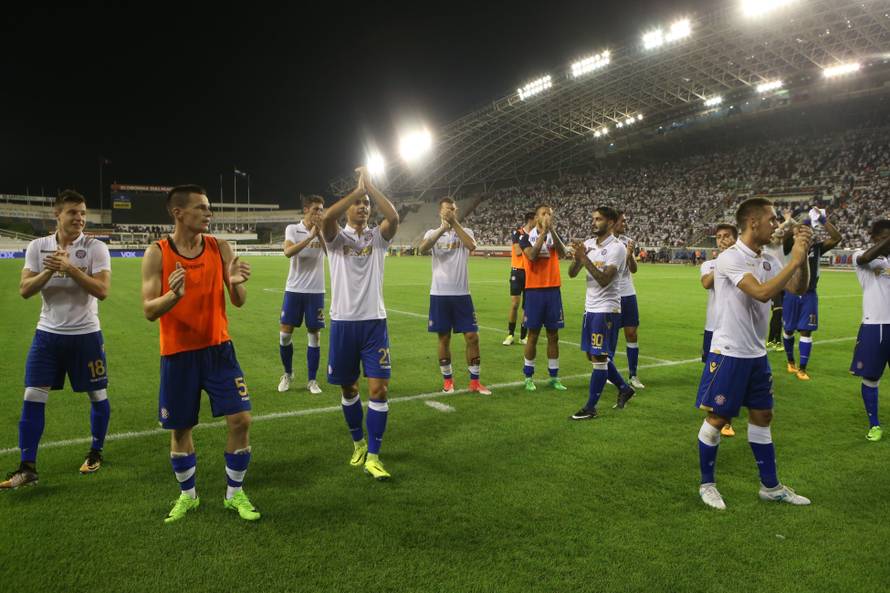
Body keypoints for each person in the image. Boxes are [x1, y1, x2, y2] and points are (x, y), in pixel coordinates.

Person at [141, 185, 259, 523]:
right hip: (178, 354)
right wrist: (173, 297)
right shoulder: (158, 253)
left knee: (241, 419)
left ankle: (234, 495)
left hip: (219, 350)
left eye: (209, 208)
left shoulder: (219, 247)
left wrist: (235, 282)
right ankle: (188, 496)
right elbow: (149, 310)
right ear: (178, 212)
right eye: (201, 208)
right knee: (181, 430)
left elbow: (238, 300)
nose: (209, 213)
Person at [696, 197, 814, 510]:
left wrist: (800, 259)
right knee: (718, 417)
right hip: (729, 352)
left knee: (763, 416)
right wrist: (793, 260)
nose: (776, 225)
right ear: (753, 223)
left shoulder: (768, 258)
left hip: (756, 354)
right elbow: (762, 294)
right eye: (772, 219)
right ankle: (707, 485)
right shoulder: (730, 257)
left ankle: (770, 487)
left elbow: (797, 289)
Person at [1, 191, 112, 490]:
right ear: (57, 215)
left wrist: (71, 269)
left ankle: (96, 451)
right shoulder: (38, 247)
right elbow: (25, 290)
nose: (79, 218)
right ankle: (27, 467)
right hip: (47, 336)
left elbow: (102, 291)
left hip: (86, 335)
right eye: (73, 213)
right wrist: (50, 269)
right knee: (32, 396)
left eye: (83, 213)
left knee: (97, 396)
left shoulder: (95, 247)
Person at [321, 167, 399, 481]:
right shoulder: (335, 238)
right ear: (349, 207)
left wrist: (370, 186)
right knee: (349, 387)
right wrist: (355, 191)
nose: (363, 207)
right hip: (343, 323)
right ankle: (358, 443)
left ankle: (375, 457)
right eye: (358, 203)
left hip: (374, 324)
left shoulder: (377, 238)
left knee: (378, 390)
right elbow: (327, 219)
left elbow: (393, 218)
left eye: (366, 203)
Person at [568, 206, 635, 420]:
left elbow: (605, 280)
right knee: (593, 354)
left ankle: (590, 407)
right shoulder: (588, 244)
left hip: (607, 309)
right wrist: (579, 257)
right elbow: (571, 273)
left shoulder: (617, 248)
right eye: (593, 219)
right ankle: (624, 388)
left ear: (611, 222)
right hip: (590, 309)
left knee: (599, 357)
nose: (594, 222)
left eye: (599, 219)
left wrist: (584, 259)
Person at [419, 197, 491, 395]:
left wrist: (454, 223)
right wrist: (443, 228)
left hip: (462, 294)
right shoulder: (432, 233)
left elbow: (472, 245)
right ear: (440, 211)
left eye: (453, 209)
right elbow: (422, 248)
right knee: (444, 338)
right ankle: (448, 382)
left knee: (472, 337)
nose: (450, 212)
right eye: (447, 209)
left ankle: (475, 382)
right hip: (440, 293)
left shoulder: (465, 232)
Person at [781, 209, 842, 380]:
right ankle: (790, 362)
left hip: (809, 295)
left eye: (807, 230)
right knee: (788, 329)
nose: (804, 232)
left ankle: (802, 368)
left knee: (806, 331)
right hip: (791, 294)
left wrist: (822, 219)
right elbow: (785, 236)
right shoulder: (788, 247)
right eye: (801, 230)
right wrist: (800, 223)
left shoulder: (816, 248)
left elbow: (837, 238)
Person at [278, 195, 327, 394]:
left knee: (314, 336)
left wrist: (320, 234)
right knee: (284, 336)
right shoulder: (293, 229)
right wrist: (309, 237)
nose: (319, 213)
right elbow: (288, 252)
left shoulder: (323, 230)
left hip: (316, 291)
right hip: (294, 289)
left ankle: (312, 380)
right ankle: (288, 374)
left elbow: (332, 253)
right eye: (316, 209)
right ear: (306, 209)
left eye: (321, 210)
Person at [518, 204, 569, 391]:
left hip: (553, 290)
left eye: (549, 213)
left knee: (553, 335)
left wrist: (552, 231)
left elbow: (563, 253)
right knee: (533, 335)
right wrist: (542, 234)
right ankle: (528, 376)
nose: (547, 216)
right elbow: (531, 256)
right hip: (534, 291)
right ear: (537, 217)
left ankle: (554, 376)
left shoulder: (554, 236)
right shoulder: (525, 237)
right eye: (543, 213)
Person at [849, 219, 890, 442]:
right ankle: (874, 424)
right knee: (871, 377)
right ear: (874, 238)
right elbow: (866, 257)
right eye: (883, 237)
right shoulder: (860, 256)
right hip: (875, 326)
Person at [700, 223, 738, 437]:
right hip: (712, 327)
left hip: (732, 328)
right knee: (712, 373)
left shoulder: (742, 262)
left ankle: (725, 419)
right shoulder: (709, 264)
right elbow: (706, 283)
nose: (722, 240)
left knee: (728, 375)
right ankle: (714, 413)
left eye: (727, 236)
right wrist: (723, 262)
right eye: (719, 237)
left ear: (735, 238)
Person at [613, 212, 644, 389]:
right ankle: (610, 373)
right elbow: (615, 268)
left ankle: (633, 375)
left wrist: (630, 254)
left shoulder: (627, 241)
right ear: (613, 222)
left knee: (632, 333)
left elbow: (633, 269)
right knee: (611, 336)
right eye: (622, 220)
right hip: (612, 295)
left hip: (628, 293)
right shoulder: (607, 242)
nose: (625, 223)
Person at [764, 210, 794, 351]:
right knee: (778, 311)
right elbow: (778, 230)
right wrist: (787, 220)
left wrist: (790, 220)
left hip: (783, 281)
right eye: (776, 235)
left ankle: (771, 340)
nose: (778, 238)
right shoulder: (767, 246)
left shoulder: (780, 246)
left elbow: (796, 227)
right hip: (772, 282)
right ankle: (777, 341)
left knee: (779, 313)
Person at [503, 213, 535, 346]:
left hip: (530, 272)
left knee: (526, 307)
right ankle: (510, 334)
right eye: (536, 219)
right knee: (515, 304)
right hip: (517, 271)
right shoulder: (517, 233)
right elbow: (517, 251)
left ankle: (523, 336)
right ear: (530, 220)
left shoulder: (535, 235)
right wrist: (529, 245)